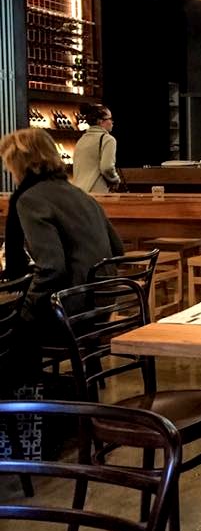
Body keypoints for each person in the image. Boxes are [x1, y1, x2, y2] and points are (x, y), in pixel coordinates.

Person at [0, 128, 124, 380]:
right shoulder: (81, 195)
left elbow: (52, 269)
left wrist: (24, 311)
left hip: (70, 312)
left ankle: (24, 395)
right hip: (100, 307)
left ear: (18, 163)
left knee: (8, 322)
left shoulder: (30, 199)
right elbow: (118, 249)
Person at [72, 103, 121, 194]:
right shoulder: (108, 139)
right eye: (110, 118)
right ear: (100, 121)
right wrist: (116, 180)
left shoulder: (81, 140)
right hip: (97, 192)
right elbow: (107, 167)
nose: (112, 122)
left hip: (79, 192)